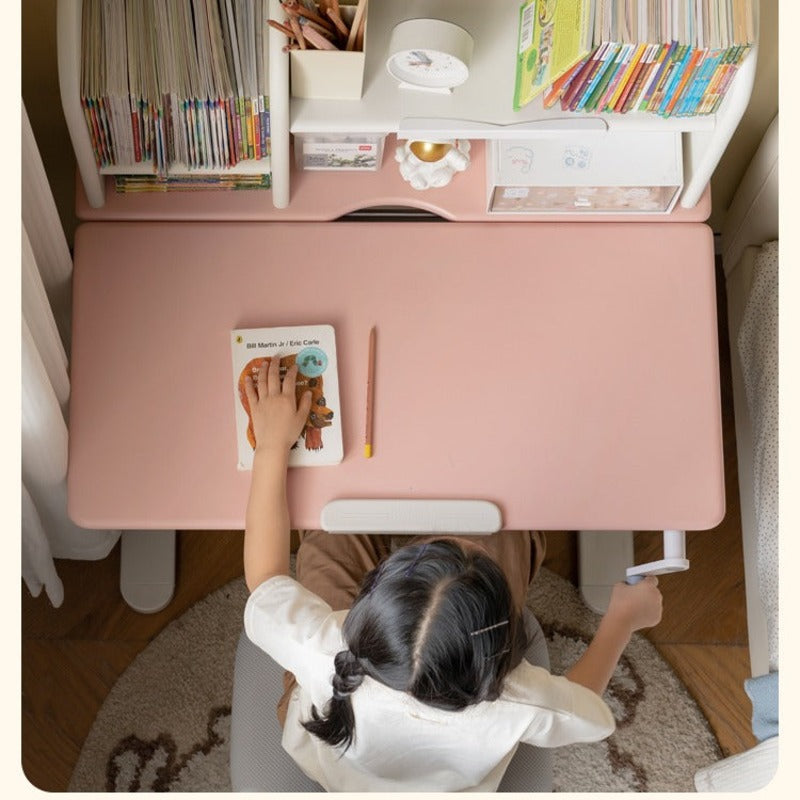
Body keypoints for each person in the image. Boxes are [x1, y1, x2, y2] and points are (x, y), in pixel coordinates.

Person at [242, 356, 663, 792]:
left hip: (332, 722)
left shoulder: (322, 647)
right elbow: (588, 711)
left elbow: (265, 579)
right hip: (369, 711)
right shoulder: (519, 699)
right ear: (502, 653)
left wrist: (270, 446)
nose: (464, 543)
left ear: (370, 603)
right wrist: (622, 620)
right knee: (503, 525)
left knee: (330, 525)